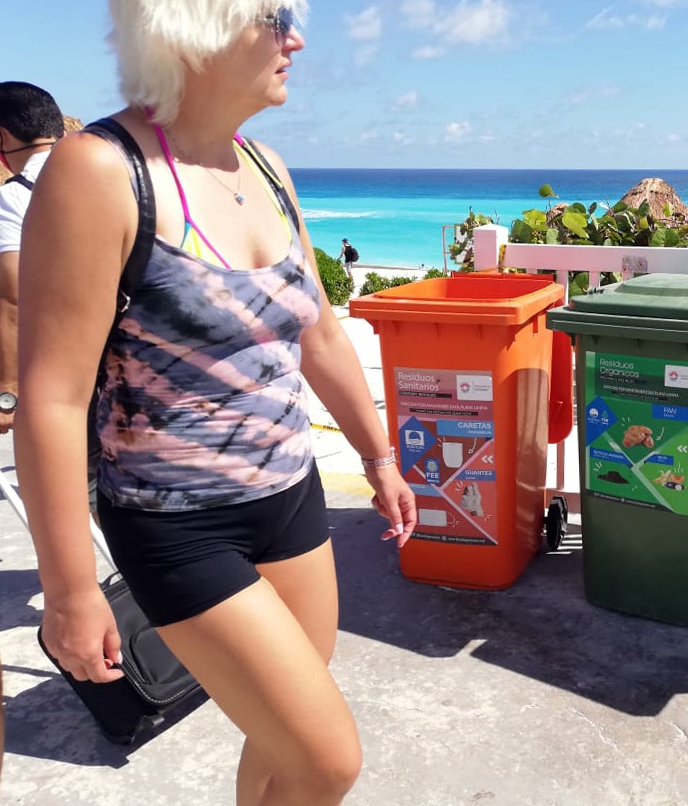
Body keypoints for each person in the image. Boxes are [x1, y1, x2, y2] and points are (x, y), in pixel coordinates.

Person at [15, 3, 416, 805]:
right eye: (274, 17)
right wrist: (68, 592)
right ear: (190, 25)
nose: (296, 38)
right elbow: (51, 399)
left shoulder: (265, 166)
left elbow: (322, 335)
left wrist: (379, 458)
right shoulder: (98, 169)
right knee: (327, 758)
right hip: (175, 525)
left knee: (279, 743)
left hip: (291, 495)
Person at [0, 80, 65, 791]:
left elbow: (14, 303)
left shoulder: (14, 195)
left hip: (57, 381)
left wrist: (11, 394)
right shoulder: (102, 169)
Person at [0, 82, 64, 436]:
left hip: (64, 376)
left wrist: (7, 392)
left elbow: (12, 294)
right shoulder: (114, 176)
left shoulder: (13, 198)